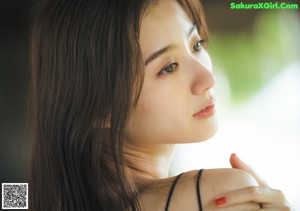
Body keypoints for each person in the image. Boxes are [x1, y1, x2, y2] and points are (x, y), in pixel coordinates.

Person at [28, 0, 293, 210]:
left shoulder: (31, 197)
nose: (208, 79)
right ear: (99, 108)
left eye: (196, 44)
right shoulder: (225, 196)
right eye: (168, 67)